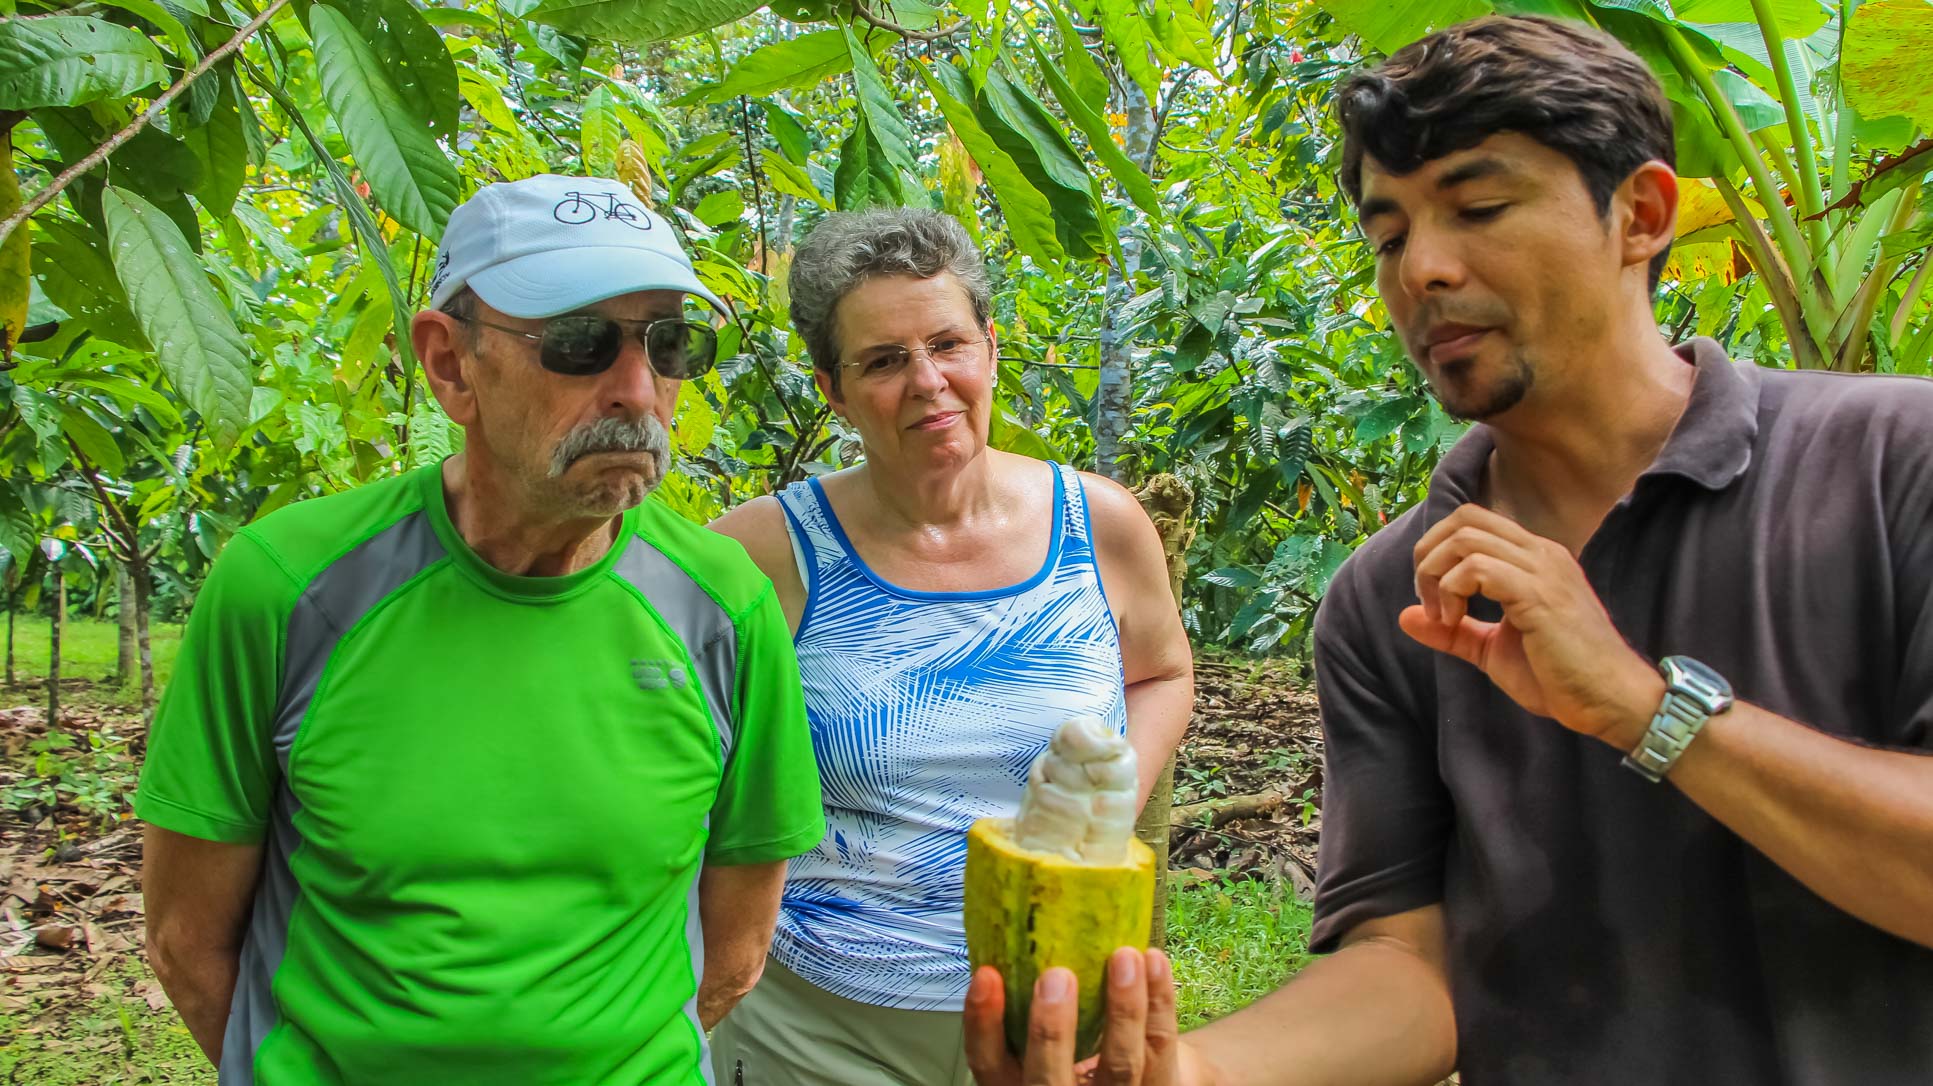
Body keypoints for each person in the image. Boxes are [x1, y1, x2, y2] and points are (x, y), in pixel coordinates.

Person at [964, 16, 1933, 1086]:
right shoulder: (1389, 599)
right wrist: (1186, 1073)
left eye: (1478, 208)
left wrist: (1643, 707)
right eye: (1387, 237)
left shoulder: (1897, 465)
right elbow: (1406, 970)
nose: (1420, 269)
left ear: (1642, 216)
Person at [136, 174, 825, 1085]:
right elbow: (187, 943)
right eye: (579, 343)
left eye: (666, 342)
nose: (636, 389)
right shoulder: (288, 587)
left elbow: (735, 952)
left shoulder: (722, 604)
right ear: (449, 364)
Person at [706, 208, 1194, 1085]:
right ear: (830, 386)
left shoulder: (1103, 525)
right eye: (885, 361)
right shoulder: (758, 555)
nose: (929, 382)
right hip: (816, 1013)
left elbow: (1160, 670)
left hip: (1051, 1006)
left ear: (992, 348)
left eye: (948, 344)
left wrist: (1106, 800)